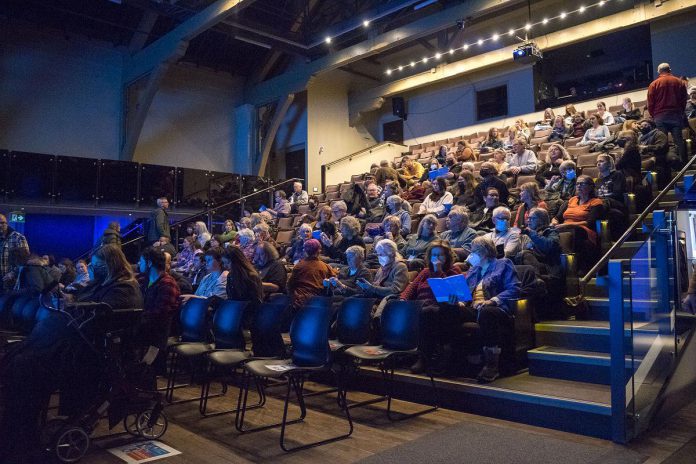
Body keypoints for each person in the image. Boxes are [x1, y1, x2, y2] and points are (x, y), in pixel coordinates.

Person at [455, 236, 521, 382]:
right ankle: (451, 358)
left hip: (496, 308)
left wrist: (492, 301)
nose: (470, 255)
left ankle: (492, 365)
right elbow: (464, 293)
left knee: (486, 312)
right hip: (474, 307)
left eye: (473, 251)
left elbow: (514, 288)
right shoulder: (473, 270)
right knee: (449, 309)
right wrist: (459, 301)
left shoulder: (503, 264)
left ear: (483, 252)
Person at [400, 239, 462, 373]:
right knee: (401, 307)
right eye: (434, 255)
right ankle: (401, 354)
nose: (437, 258)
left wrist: (438, 271)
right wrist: (403, 299)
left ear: (447, 257)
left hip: (441, 309)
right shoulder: (425, 272)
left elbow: (452, 293)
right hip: (421, 306)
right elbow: (411, 288)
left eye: (440, 255)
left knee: (428, 312)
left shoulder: (453, 270)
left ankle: (424, 358)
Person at [136, 247, 180, 376]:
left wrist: (136, 320)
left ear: (149, 263)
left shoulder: (167, 284)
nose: (139, 264)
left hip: (157, 333)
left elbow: (160, 315)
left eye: (142, 261)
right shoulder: (146, 280)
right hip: (146, 326)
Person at [552, 176, 605, 273]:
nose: (579, 186)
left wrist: (570, 225)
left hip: (584, 230)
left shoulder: (596, 202)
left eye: (582, 184)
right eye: (577, 184)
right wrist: (554, 222)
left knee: (577, 231)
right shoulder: (572, 200)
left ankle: (576, 267)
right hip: (564, 228)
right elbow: (557, 217)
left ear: (590, 187)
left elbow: (590, 223)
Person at [648, 62, 688, 162]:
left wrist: (654, 115)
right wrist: (680, 112)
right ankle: (683, 164)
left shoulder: (654, 84)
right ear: (669, 70)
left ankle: (666, 166)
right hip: (676, 115)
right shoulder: (679, 82)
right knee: (679, 141)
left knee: (663, 143)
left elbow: (650, 103)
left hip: (660, 117)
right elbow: (684, 100)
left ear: (659, 72)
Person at [287, 239, 337, 313]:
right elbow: (334, 283)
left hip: (298, 303)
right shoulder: (325, 266)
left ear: (305, 251)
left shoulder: (298, 266)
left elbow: (289, 285)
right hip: (317, 304)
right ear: (319, 251)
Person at [518, 208, 563, 283]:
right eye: (528, 218)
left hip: (548, 269)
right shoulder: (528, 234)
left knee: (525, 254)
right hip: (533, 267)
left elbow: (549, 247)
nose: (528, 220)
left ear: (541, 220)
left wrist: (531, 233)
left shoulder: (551, 232)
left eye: (532, 218)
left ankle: (536, 280)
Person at [0, 212, 30, 293]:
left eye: (2, 223)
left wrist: (13, 273)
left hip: (11, 281)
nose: (0, 225)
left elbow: (25, 260)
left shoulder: (18, 237)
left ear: (7, 223)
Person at [638, 118, 670, 188]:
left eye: (645, 125)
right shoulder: (640, 137)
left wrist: (646, 147)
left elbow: (661, 147)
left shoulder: (659, 134)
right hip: (644, 157)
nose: (643, 127)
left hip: (657, 157)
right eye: (641, 126)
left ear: (651, 126)